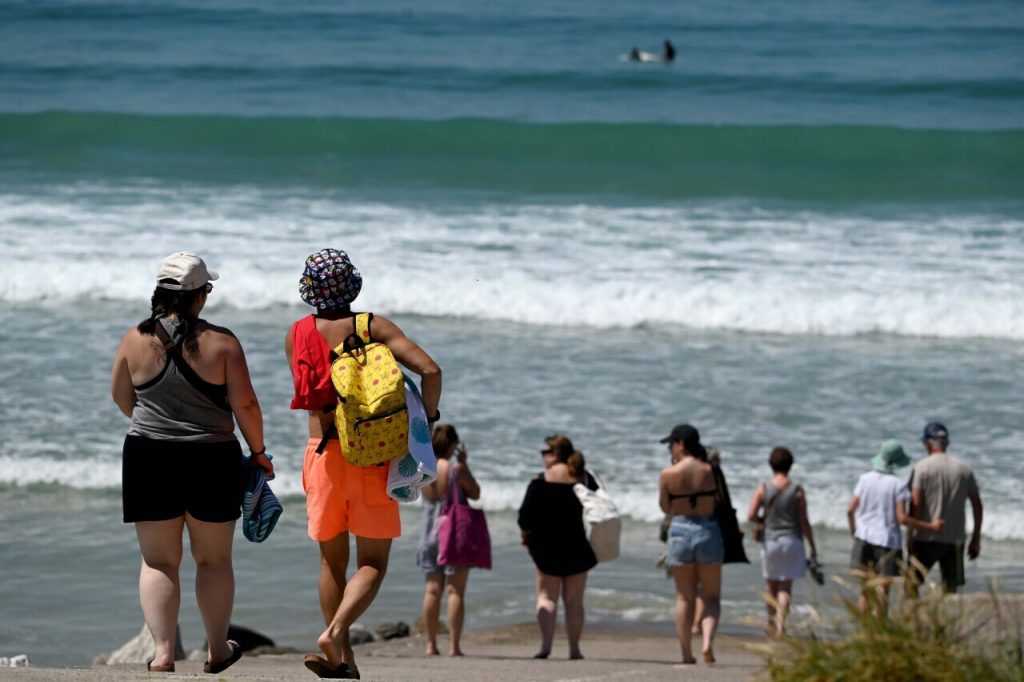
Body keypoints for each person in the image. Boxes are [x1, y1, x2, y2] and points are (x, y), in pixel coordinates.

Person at [111, 252, 273, 674]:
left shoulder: (134, 339)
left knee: (158, 561)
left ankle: (163, 653)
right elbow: (247, 405)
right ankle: (217, 651)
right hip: (211, 457)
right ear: (199, 296)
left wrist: (155, 423)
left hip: (148, 455)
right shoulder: (222, 343)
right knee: (213, 560)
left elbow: (121, 396)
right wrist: (258, 453)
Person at [286, 248, 441, 679]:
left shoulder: (297, 333)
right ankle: (334, 633)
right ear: (352, 283)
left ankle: (343, 661)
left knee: (330, 564)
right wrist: (427, 419)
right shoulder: (371, 326)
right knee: (372, 563)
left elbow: (311, 393)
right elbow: (431, 370)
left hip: (321, 457)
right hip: (372, 456)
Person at [517, 435, 597, 660]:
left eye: (545, 453)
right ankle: (574, 649)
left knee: (546, 598)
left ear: (554, 455)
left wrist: (527, 533)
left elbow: (524, 517)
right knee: (574, 602)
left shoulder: (540, 480)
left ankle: (545, 647)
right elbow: (601, 508)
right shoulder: (585, 478)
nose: (543, 458)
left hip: (545, 547)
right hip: (578, 546)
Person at [847, 439, 943, 614]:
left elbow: (850, 509)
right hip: (887, 541)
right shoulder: (898, 485)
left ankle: (863, 627)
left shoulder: (865, 479)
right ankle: (880, 627)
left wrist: (854, 531)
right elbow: (902, 518)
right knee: (883, 589)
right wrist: (930, 526)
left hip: (863, 537)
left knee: (865, 589)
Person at [658, 425, 723, 664]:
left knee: (684, 597)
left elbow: (665, 507)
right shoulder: (710, 470)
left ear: (681, 444)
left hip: (680, 530)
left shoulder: (668, 474)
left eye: (671, 444)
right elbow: (720, 500)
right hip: (708, 530)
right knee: (712, 596)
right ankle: (707, 642)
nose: (669, 449)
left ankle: (686, 653)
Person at [417, 423, 481, 657]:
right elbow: (475, 493)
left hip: (428, 534)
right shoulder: (456, 469)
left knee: (432, 590)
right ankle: (454, 646)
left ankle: (431, 645)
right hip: (453, 535)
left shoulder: (425, 469)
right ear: (453, 445)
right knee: (455, 592)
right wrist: (464, 463)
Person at [746, 447, 818, 636]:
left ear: (771, 465)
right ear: (790, 466)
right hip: (793, 541)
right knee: (785, 587)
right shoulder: (797, 490)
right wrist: (812, 545)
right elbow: (804, 521)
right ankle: (780, 626)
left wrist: (763, 521)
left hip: (770, 541)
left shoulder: (763, 488)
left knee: (771, 585)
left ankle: (770, 623)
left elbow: (751, 515)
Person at [906, 423, 983, 595]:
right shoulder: (964, 468)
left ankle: (913, 620)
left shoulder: (921, 467)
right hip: (955, 538)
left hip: (926, 538)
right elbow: (977, 504)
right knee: (951, 589)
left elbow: (916, 504)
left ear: (927, 442)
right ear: (946, 443)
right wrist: (976, 538)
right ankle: (948, 620)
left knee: (911, 585)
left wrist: (910, 536)